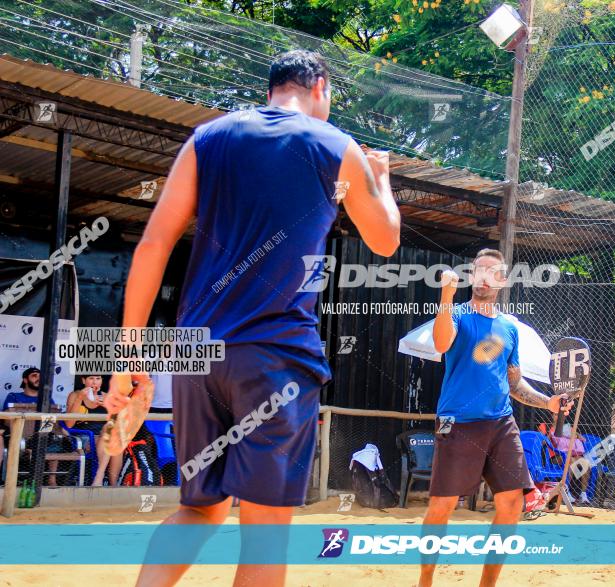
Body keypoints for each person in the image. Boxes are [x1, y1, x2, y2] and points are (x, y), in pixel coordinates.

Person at [103, 49, 400, 587]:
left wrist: (126, 360)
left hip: (198, 356)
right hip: (275, 359)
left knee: (202, 508)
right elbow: (384, 240)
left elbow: (153, 245)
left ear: (272, 87)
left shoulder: (209, 138)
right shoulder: (335, 146)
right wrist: (381, 183)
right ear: (320, 88)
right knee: (265, 534)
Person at [419, 249, 572, 587]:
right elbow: (441, 343)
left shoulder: (509, 329)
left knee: (511, 505)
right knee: (442, 506)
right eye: (479, 270)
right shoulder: (457, 314)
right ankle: (425, 581)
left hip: (501, 423)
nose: (484, 275)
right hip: (455, 422)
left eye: (492, 271)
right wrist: (445, 293)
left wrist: (548, 402)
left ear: (502, 280)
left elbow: (513, 380)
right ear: (472, 277)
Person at [2, 367, 67, 486]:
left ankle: (52, 480)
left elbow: (54, 420)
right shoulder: (14, 396)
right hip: (19, 437)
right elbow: (5, 420)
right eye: (34, 376)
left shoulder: (47, 399)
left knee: (54, 439)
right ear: (25, 380)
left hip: (43, 435)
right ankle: (11, 481)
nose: (38, 379)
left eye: (40, 376)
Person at [64, 374, 123, 486]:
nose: (94, 382)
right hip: (83, 437)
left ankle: (107, 482)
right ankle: (107, 482)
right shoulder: (75, 395)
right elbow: (69, 424)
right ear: (83, 380)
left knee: (112, 437)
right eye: (91, 378)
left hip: (105, 436)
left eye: (98, 378)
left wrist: (108, 407)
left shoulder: (107, 396)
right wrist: (80, 398)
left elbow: (117, 422)